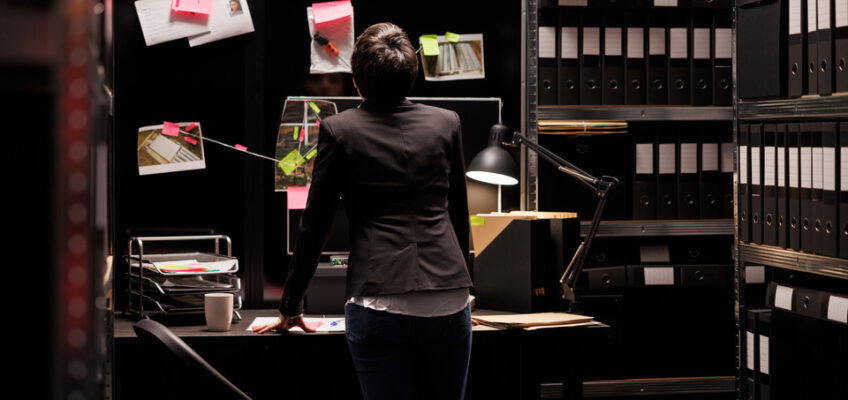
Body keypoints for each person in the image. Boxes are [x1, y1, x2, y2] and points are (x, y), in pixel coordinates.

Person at [253, 22, 474, 399]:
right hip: (449, 301)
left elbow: (315, 225)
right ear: (412, 76)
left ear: (356, 81)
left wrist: (291, 304)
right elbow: (458, 215)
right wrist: (472, 286)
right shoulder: (446, 123)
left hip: (378, 300)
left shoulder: (340, 130)